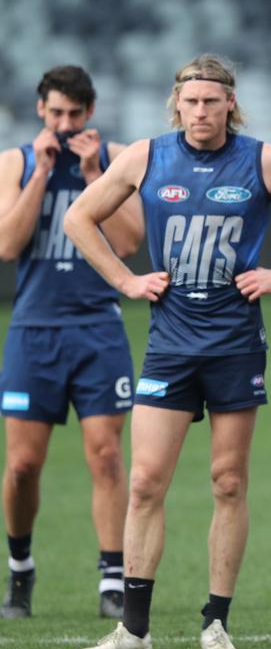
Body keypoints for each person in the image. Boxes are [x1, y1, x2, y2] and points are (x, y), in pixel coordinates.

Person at [64, 54, 271, 649]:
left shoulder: (264, 159)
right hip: (169, 344)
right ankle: (132, 633)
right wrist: (124, 279)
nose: (200, 112)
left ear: (230, 106)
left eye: (211, 102)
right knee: (142, 482)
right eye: (190, 102)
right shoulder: (145, 155)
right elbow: (79, 216)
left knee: (228, 481)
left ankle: (216, 622)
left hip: (236, 344)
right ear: (176, 105)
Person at [0, 66, 144, 620]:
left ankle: (112, 579)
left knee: (107, 456)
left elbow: (130, 241)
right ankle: (20, 570)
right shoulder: (16, 160)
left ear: (91, 113)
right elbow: (9, 246)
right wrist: (41, 173)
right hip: (34, 331)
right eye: (56, 113)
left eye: (75, 115)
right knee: (21, 467)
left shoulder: (115, 158)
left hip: (97, 329)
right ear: (41, 109)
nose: (64, 124)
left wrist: (91, 174)